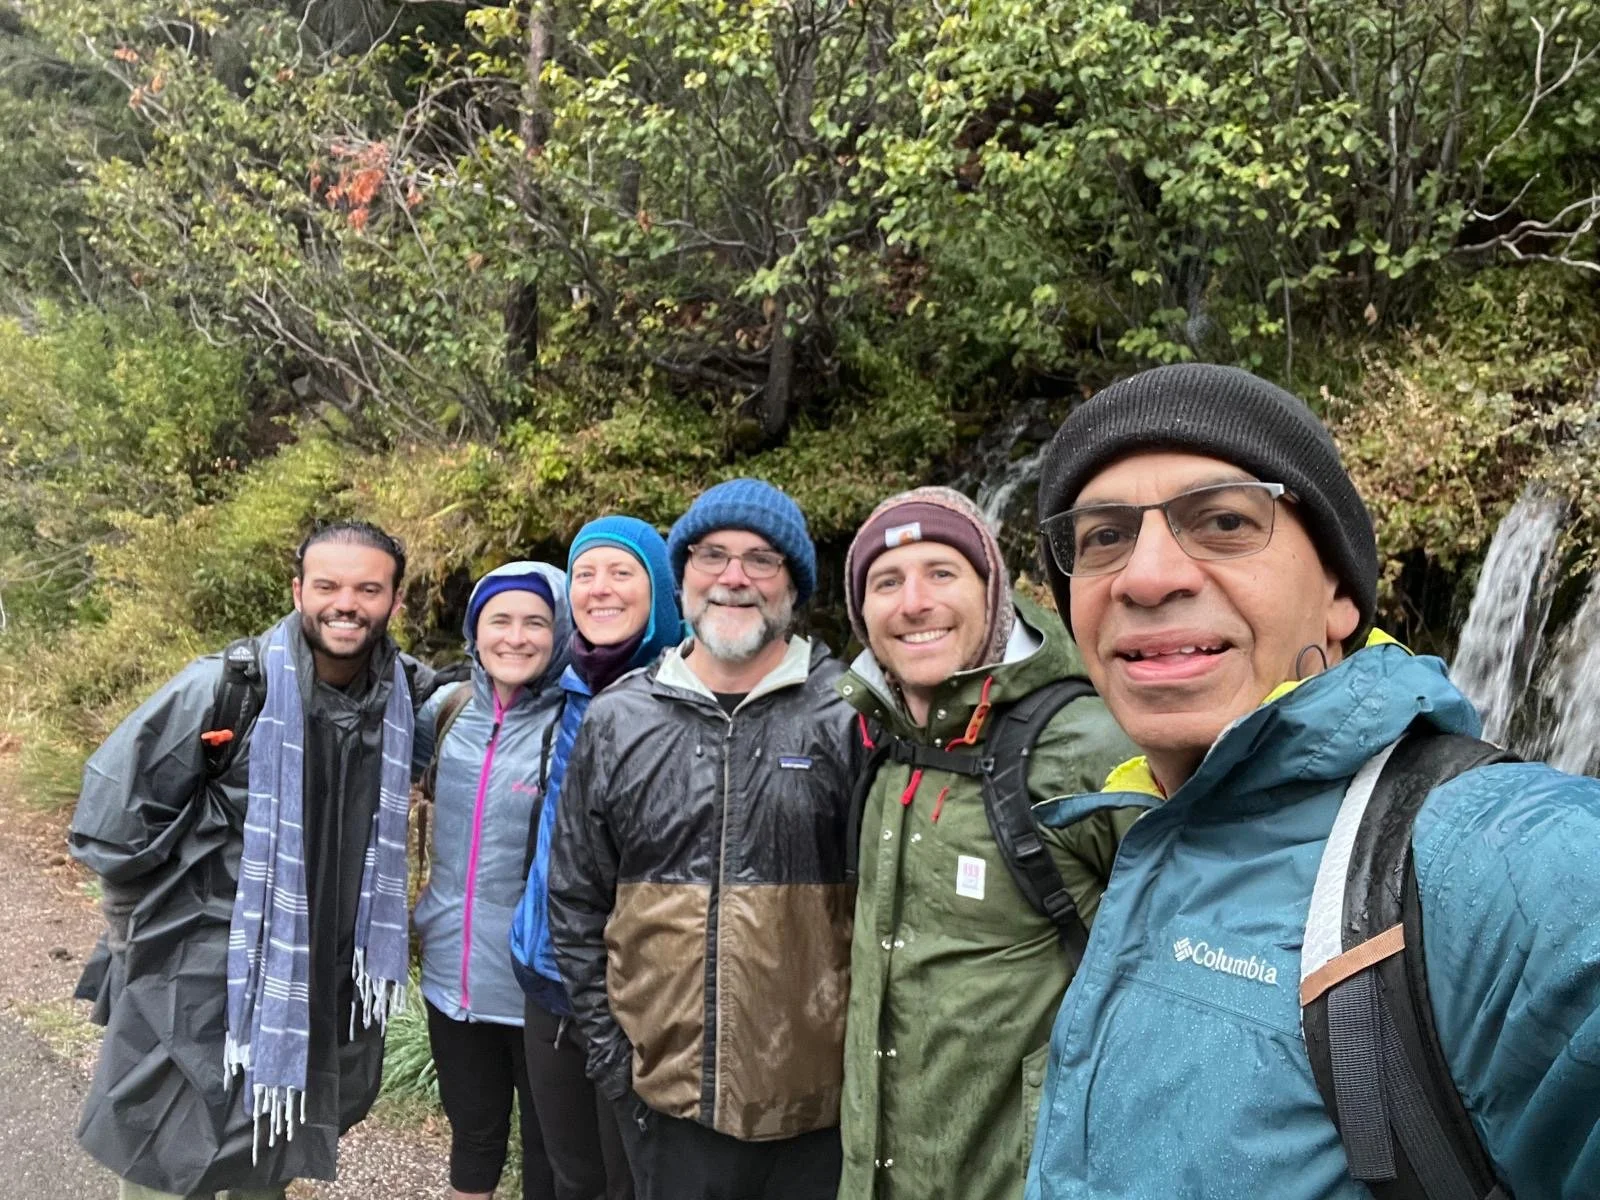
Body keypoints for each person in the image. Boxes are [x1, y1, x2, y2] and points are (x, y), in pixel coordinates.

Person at [1025, 363, 1600, 1199]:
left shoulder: (1485, 856)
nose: (1145, 578)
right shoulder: (1143, 827)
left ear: (1339, 595)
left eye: (1222, 520)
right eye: (1103, 537)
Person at [69, 521, 436, 1200]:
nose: (345, 603)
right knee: (167, 1157)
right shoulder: (227, 688)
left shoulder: (405, 700)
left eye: (367, 588)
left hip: (320, 973)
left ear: (396, 601)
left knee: (266, 1152)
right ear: (298, 590)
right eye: (327, 585)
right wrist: (135, 945)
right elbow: (114, 821)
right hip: (199, 965)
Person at [547, 479, 862, 1200]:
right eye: (712, 556)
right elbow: (576, 901)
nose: (733, 578)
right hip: (665, 1105)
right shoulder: (618, 717)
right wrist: (613, 1061)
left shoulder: (848, 715)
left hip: (817, 1116)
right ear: (681, 575)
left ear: (793, 585)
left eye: (761, 560)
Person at [834, 486, 1139, 1200]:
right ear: (862, 614)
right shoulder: (884, 748)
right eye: (887, 582)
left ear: (992, 591)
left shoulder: (1089, 747)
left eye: (942, 573)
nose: (914, 602)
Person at [509, 516, 682, 1200]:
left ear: (660, 590)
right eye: (585, 574)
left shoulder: (686, 693)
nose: (599, 589)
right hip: (547, 977)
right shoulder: (563, 686)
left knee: (631, 1180)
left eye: (621, 573)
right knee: (568, 1175)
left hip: (639, 995)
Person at [409, 561, 573, 1200]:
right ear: (474, 633)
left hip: (541, 984)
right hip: (452, 975)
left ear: (561, 632)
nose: (516, 636)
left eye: (536, 621)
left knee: (548, 1152)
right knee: (473, 1135)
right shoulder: (446, 713)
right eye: (499, 620)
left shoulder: (577, 722)